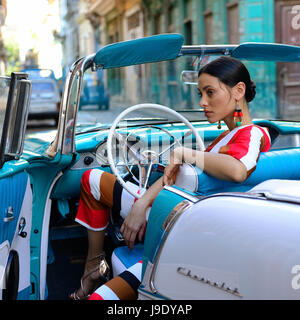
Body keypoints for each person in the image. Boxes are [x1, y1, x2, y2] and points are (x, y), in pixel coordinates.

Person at [69, 56, 271, 300]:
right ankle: (93, 267)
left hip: (183, 232)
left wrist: (185, 153)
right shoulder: (232, 135)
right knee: (92, 179)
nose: (202, 102)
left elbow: (239, 170)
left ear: (238, 90)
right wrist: (141, 204)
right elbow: (177, 175)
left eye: (209, 92)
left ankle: (97, 272)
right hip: (172, 214)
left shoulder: (253, 134)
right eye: (200, 93)